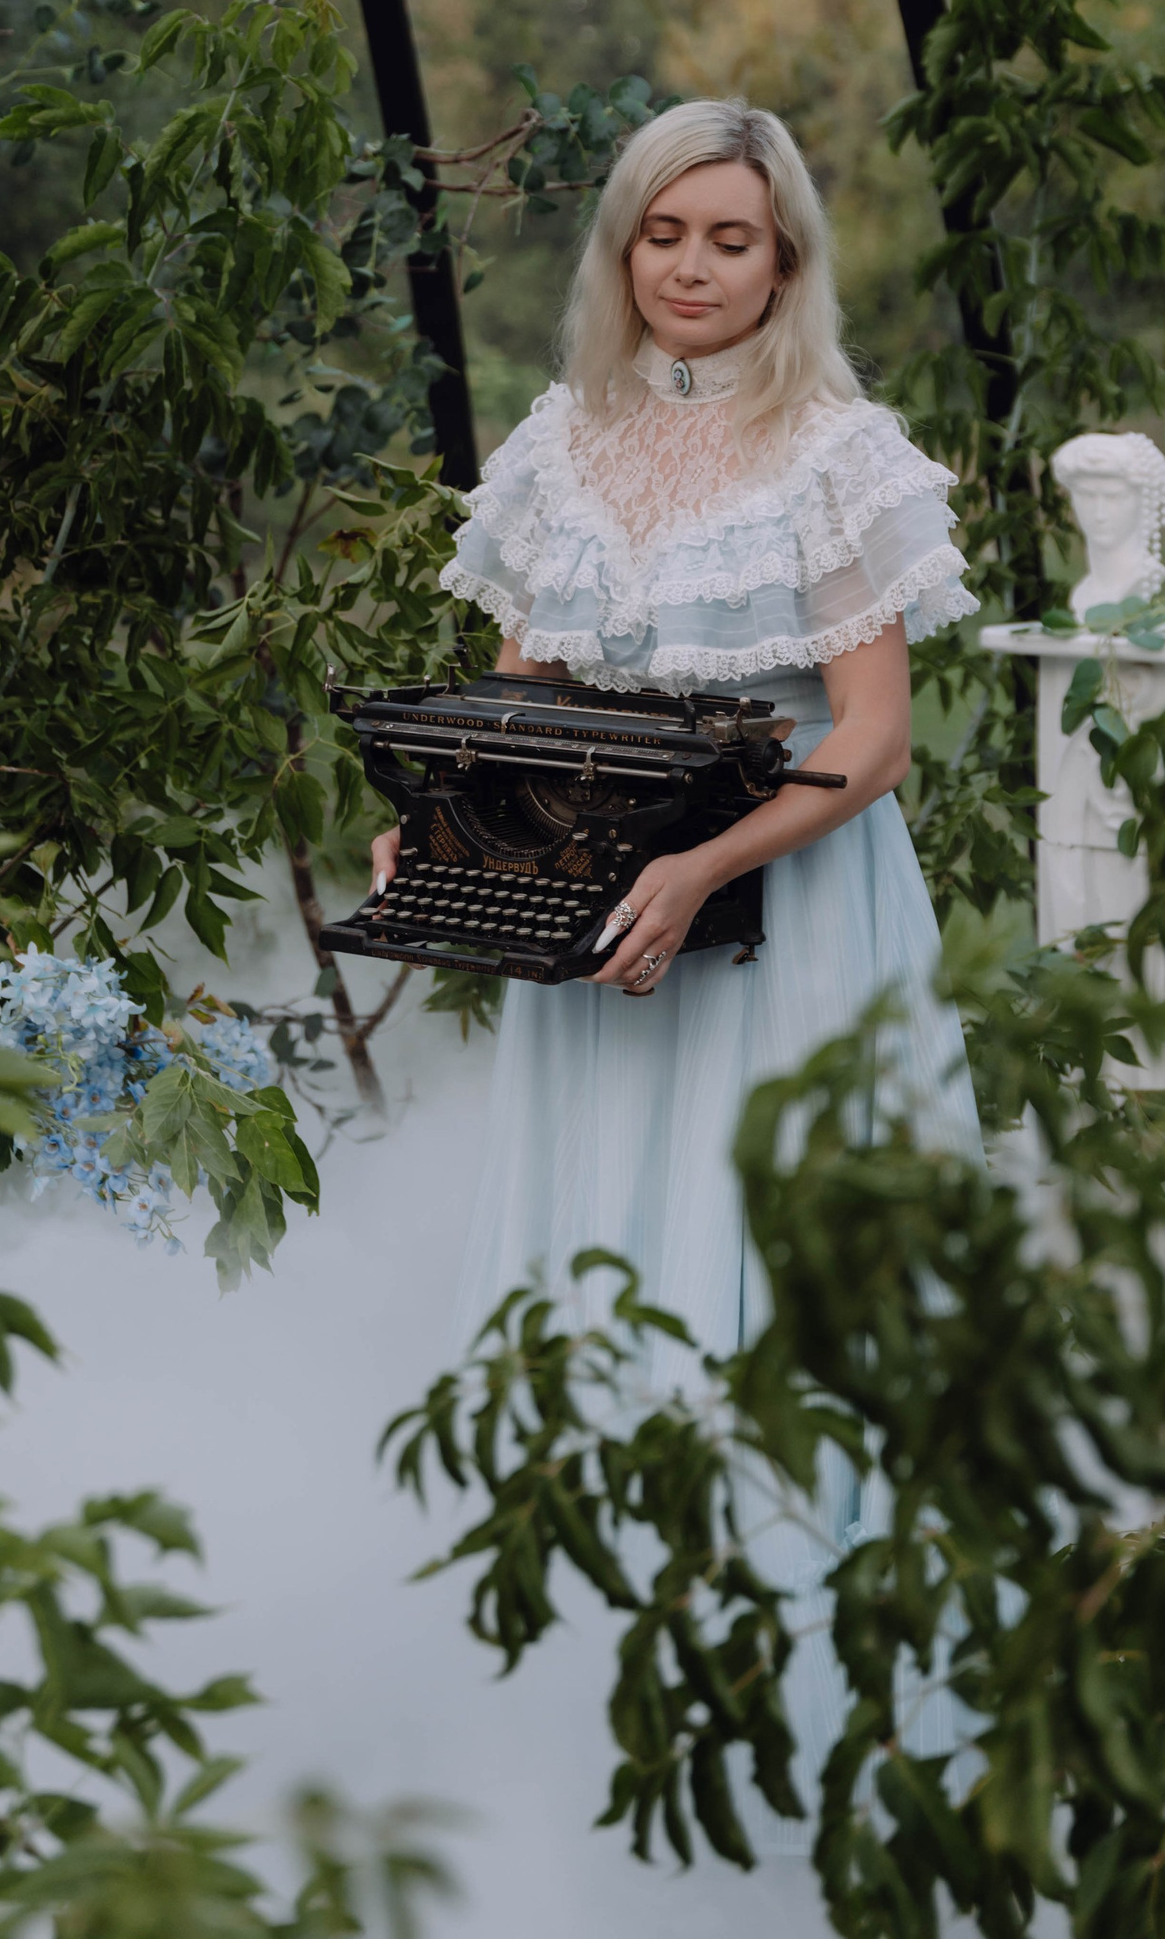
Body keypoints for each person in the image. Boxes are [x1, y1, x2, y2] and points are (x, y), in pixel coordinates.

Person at [370, 100, 981, 1842]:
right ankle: (581, 1695)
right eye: (664, 232)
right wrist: (438, 825)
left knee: (766, 1254)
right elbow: (522, 699)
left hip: (793, 913)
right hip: (606, 921)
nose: (693, 266)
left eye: (731, 237)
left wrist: (702, 862)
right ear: (622, 247)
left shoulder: (837, 452)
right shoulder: (565, 440)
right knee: (600, 1240)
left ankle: (795, 1687)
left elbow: (872, 740)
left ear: (785, 261)